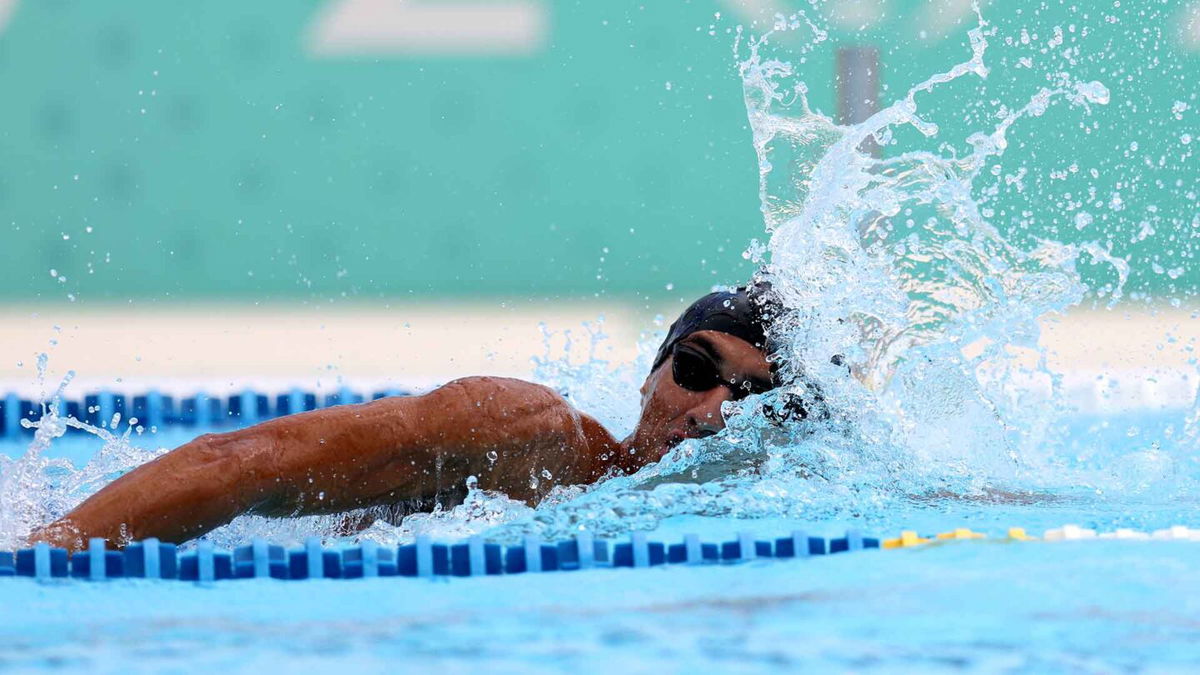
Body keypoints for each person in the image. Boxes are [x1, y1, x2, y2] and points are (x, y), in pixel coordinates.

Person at [31, 285, 788, 550]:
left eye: (749, 396)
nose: (712, 411)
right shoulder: (526, 434)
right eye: (695, 370)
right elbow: (247, 460)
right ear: (654, 371)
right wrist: (47, 554)